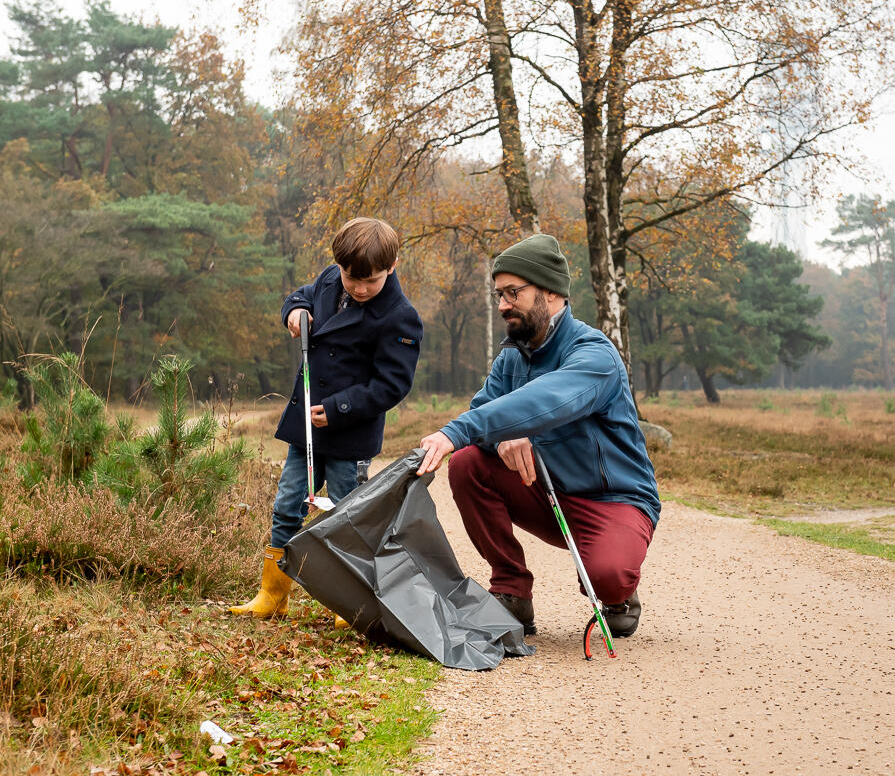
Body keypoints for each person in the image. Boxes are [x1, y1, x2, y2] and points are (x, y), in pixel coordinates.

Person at [417, 233, 660, 638]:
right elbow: (484, 413)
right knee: (467, 463)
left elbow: (547, 400)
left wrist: (477, 429)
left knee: (607, 575)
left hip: (612, 499)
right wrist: (499, 438)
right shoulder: (512, 355)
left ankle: (617, 595)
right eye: (499, 294)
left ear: (550, 292)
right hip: (546, 494)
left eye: (513, 292)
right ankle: (511, 592)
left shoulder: (594, 354)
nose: (502, 305)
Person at [232, 217, 423, 621]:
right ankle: (272, 595)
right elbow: (298, 296)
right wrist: (295, 311)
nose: (358, 288)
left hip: (348, 439)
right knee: (287, 507)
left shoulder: (400, 317)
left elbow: (392, 384)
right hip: (305, 431)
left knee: (346, 519)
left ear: (392, 266)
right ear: (338, 266)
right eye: (351, 277)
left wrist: (339, 409)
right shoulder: (328, 280)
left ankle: (350, 601)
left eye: (369, 280)